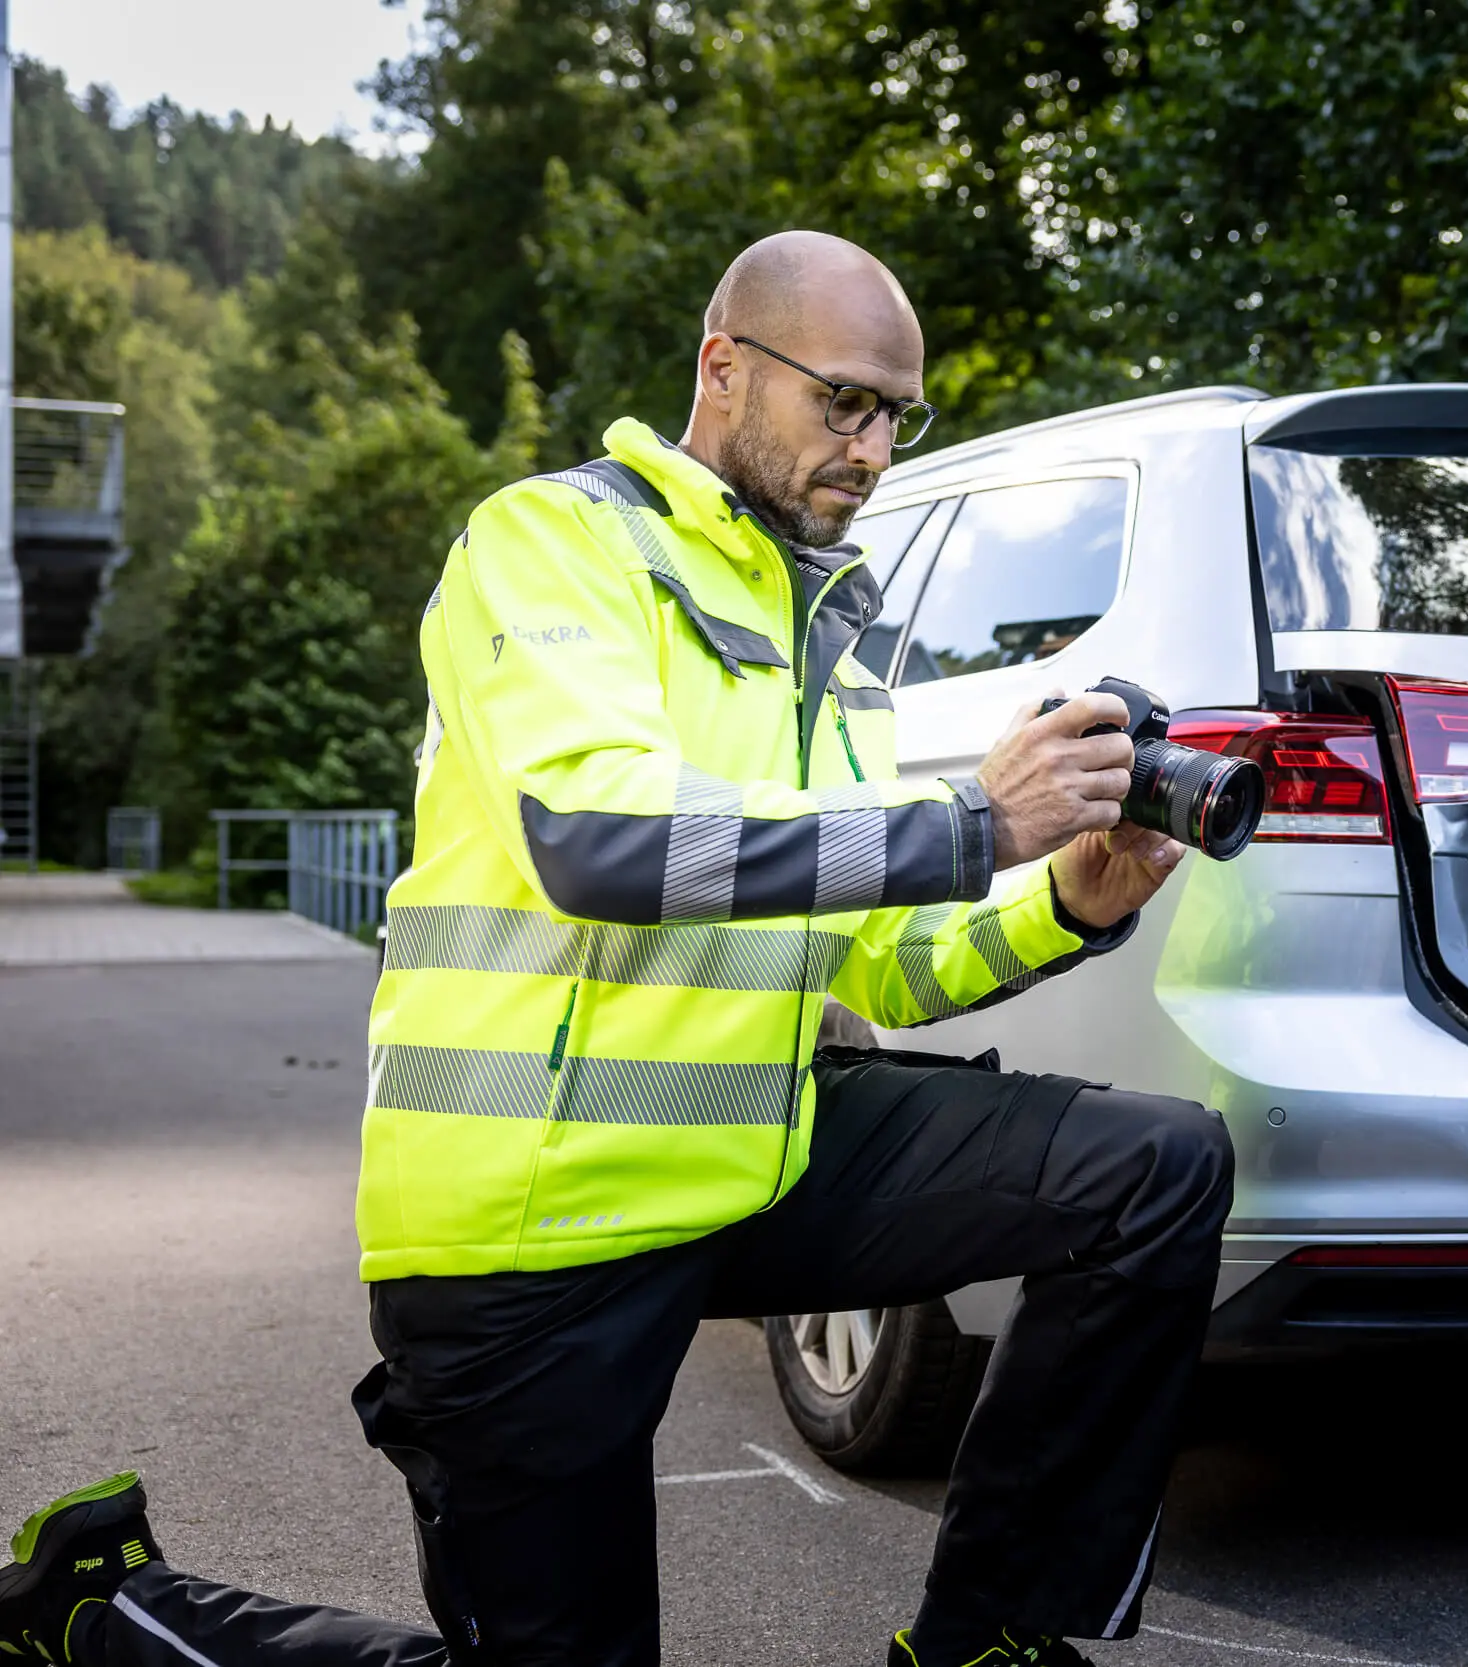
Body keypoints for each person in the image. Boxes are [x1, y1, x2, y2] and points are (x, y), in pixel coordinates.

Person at [0, 231, 1235, 1667]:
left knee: (1151, 1167)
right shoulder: (551, 541)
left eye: (900, 412)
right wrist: (974, 819)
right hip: (530, 1216)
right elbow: (601, 840)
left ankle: (991, 1644)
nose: (878, 445)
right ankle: (113, 1613)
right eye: (845, 400)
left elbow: (882, 966)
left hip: (743, 1155)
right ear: (725, 366)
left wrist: (1072, 894)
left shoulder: (828, 624)